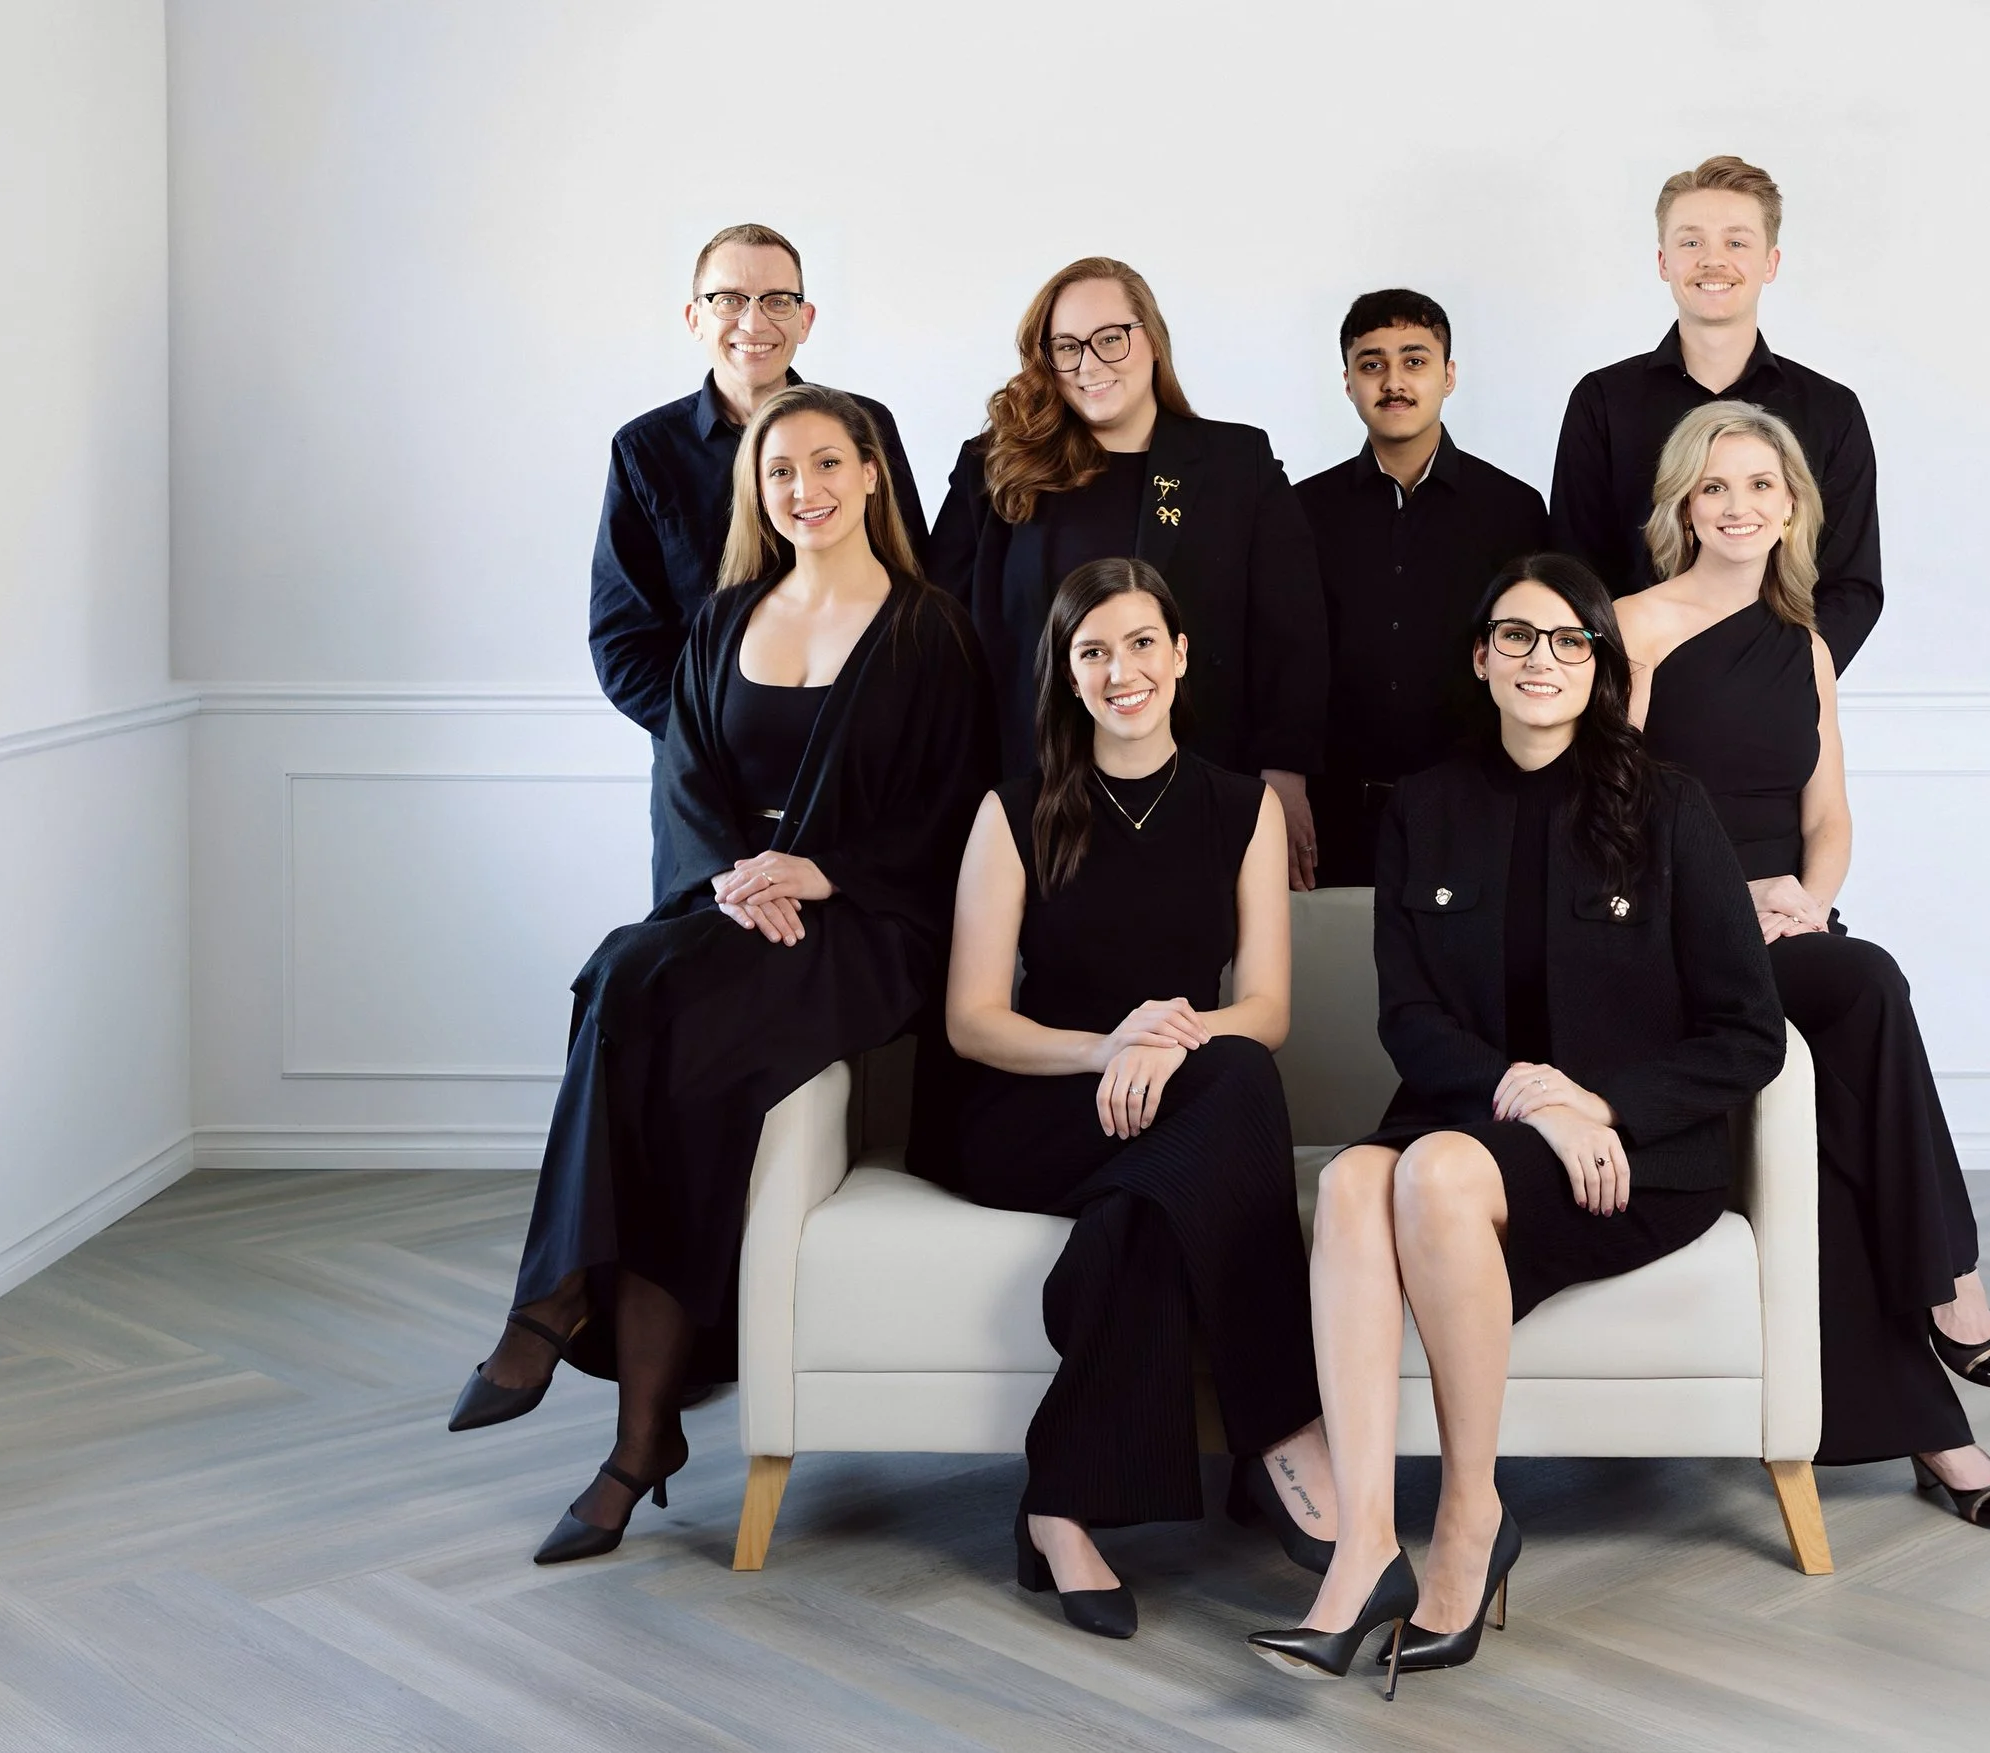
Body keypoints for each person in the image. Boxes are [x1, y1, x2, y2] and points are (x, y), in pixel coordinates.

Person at [448, 385, 992, 1566]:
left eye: (827, 464)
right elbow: (687, 785)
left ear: (870, 477)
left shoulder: (931, 627)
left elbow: (949, 815)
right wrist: (740, 880)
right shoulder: (722, 619)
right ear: (757, 488)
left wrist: (819, 873)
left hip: (867, 929)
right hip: (731, 910)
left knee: (625, 983)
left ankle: (555, 1318)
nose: (805, 488)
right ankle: (638, 1428)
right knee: (634, 994)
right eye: (780, 469)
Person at [1251, 556, 1786, 1692]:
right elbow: (1407, 1017)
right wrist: (1526, 1094)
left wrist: (1597, 1104)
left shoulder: (1670, 807)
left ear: (1597, 667)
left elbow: (1749, 1034)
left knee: (1432, 1175)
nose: (1539, 660)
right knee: (1354, 1180)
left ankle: (1468, 1517)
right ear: (1481, 658)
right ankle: (1359, 1552)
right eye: (1516, 637)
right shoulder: (1425, 808)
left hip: (1628, 1160)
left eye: (1566, 641)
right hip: (1473, 1119)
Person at [1619, 399, 1990, 1528]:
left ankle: (1933, 1428)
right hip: (1669, 934)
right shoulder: (1636, 627)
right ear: (1683, 506)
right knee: (1874, 984)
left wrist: (1811, 897)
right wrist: (1725, 902)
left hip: (1786, 927)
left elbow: (1829, 813)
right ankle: (1950, 1291)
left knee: (1835, 1117)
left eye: (1760, 485)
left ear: (1793, 505)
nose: (1738, 505)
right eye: (1714, 486)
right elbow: (1612, 816)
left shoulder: (1802, 643)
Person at [932, 557, 1336, 1640]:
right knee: (1232, 1085)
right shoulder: (1013, 812)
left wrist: (1173, 1042)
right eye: (1095, 651)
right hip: (1035, 1105)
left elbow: (1265, 1007)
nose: (1123, 670)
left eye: (1142, 644)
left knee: (1151, 1201)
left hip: (1176, 1100)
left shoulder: (1240, 807)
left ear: (1180, 655)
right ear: (1067, 675)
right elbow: (973, 1020)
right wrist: (1107, 1047)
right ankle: (1283, 1431)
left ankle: (1060, 1501)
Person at [926, 257, 1329, 887]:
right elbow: (939, 625)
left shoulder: (1233, 463)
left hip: (1198, 773)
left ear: (1152, 339)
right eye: (1067, 347)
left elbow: (1292, 629)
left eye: (1111, 338)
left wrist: (1285, 771)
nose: (1090, 364)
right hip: (1033, 783)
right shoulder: (995, 465)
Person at [591, 222, 931, 901]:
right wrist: (728, 742)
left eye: (777, 300)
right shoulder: (644, 451)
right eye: (728, 299)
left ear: (805, 320)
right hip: (706, 798)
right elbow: (624, 645)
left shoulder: (866, 427)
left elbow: (911, 587)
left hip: (856, 784)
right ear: (695, 317)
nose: (754, 320)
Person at [1549, 156, 1884, 671]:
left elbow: (1851, 585)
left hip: (1775, 698)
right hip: (1632, 692)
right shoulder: (1602, 400)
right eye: (1691, 242)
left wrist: (1783, 685)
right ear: (1663, 261)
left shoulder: (1831, 409)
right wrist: (1621, 677)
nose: (1712, 261)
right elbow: (1576, 568)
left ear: (1770, 263)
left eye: (1736, 241)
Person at [1296, 290, 1548, 887]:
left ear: (1448, 375)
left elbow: (1534, 653)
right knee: (1338, 974)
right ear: (1348, 381)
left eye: (1414, 361)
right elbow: (1283, 656)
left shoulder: (1513, 510)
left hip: (1480, 805)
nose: (1393, 382)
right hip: (1336, 813)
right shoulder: (1300, 511)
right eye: (1372, 364)